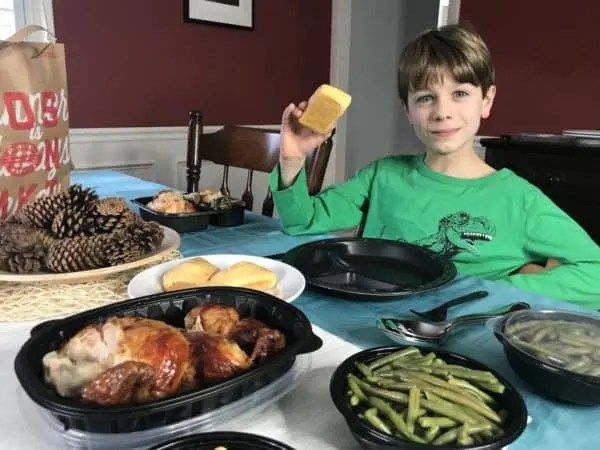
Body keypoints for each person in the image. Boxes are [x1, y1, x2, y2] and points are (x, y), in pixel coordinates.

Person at [267, 23, 600, 309]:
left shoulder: (519, 200)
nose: (442, 112)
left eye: (460, 93)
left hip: (455, 334)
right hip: (369, 318)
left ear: (487, 100)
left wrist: (498, 292)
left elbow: (594, 272)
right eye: (426, 97)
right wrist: (292, 158)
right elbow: (300, 223)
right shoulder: (382, 175)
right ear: (407, 110)